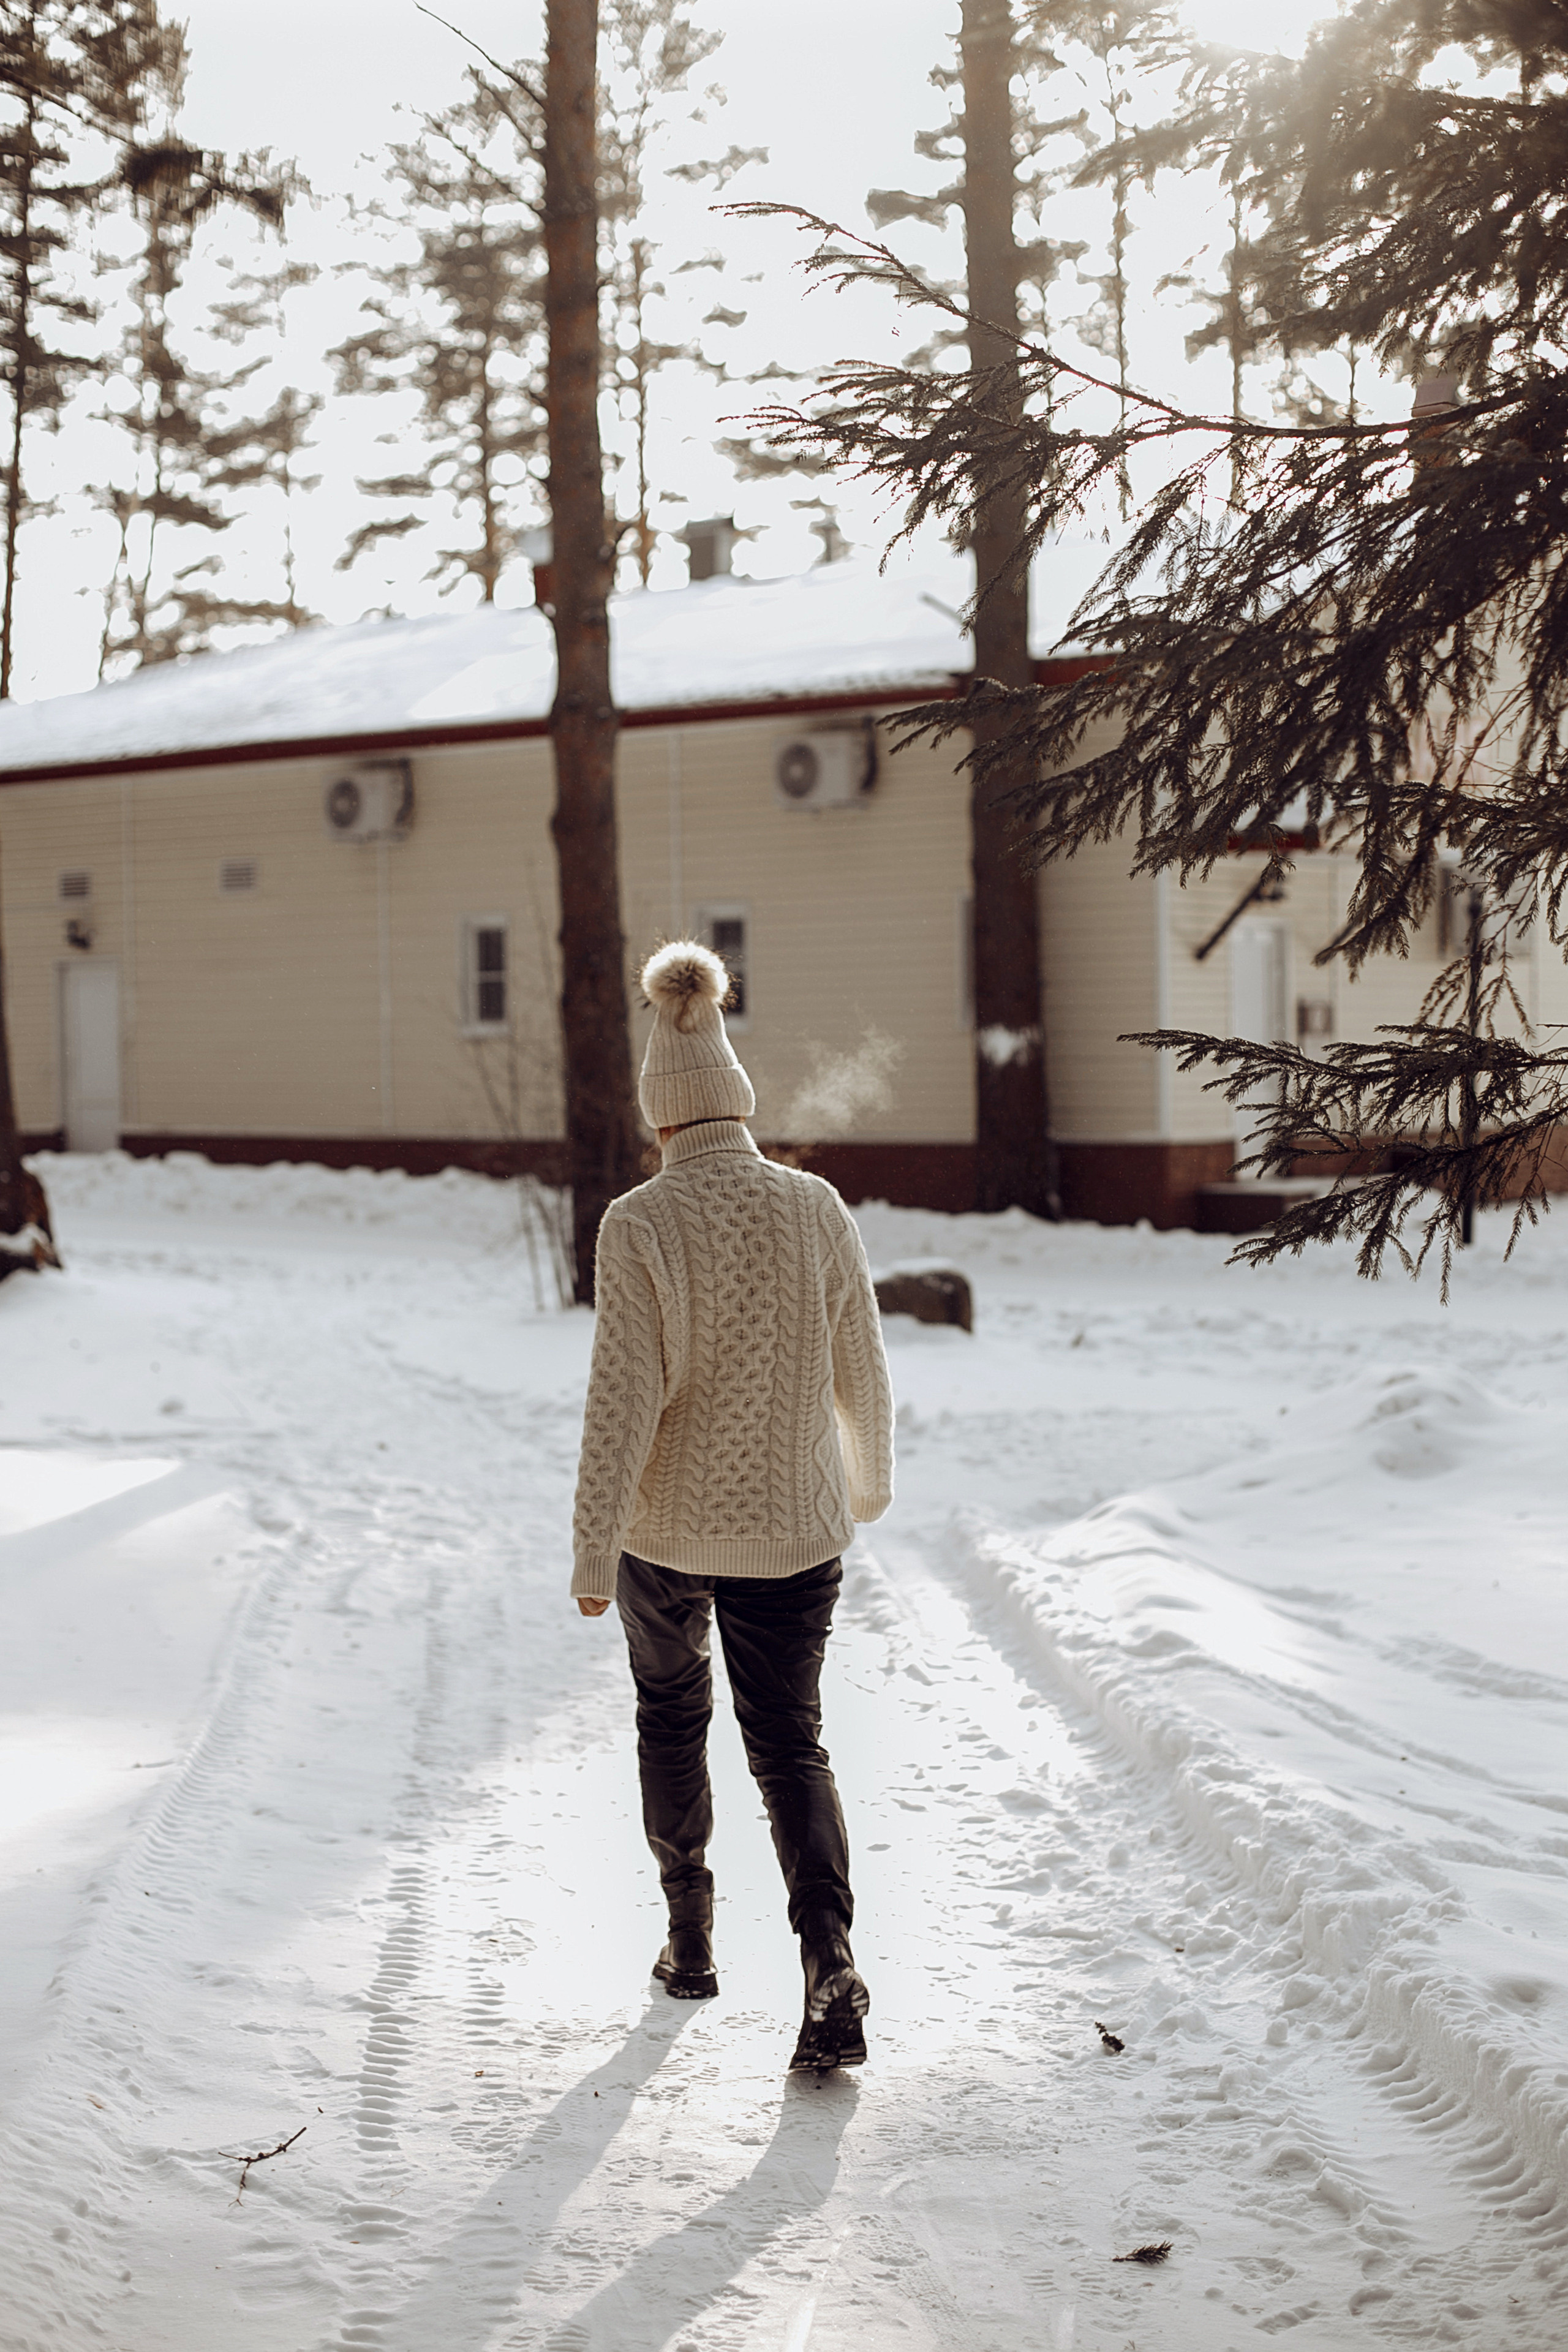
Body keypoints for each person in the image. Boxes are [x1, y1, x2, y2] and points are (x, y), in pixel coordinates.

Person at [571, 940, 895, 2070]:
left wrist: (589, 1549)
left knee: (672, 1717)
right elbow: (864, 1365)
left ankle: (689, 1939)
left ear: (661, 1113)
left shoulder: (640, 1223)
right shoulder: (816, 1208)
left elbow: (624, 1401)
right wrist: (864, 1482)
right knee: (790, 1743)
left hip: (663, 1532)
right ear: (737, 1101)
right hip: (797, 1529)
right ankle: (831, 1964)